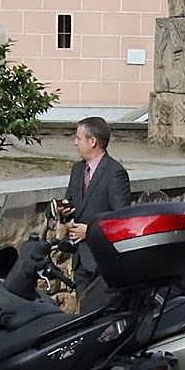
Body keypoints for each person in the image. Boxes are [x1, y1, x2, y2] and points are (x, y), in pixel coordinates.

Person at [59, 116, 132, 307]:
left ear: (92, 141)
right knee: (82, 311)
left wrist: (90, 231)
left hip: (101, 262)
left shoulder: (114, 173)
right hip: (80, 259)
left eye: (79, 138)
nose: (75, 142)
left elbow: (121, 219)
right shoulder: (77, 169)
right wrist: (65, 211)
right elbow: (74, 202)